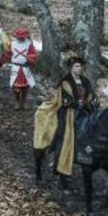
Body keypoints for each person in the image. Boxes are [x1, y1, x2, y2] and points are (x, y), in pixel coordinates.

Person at [34, 57, 98, 189]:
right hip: (67, 112)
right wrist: (77, 104)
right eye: (76, 66)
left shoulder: (85, 81)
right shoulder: (65, 82)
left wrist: (93, 102)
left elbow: (92, 95)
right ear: (71, 68)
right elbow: (64, 100)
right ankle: (57, 159)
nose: (79, 68)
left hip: (84, 111)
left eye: (80, 66)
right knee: (62, 135)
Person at [0, 28, 37, 110]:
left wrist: (29, 59)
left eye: (22, 37)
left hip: (25, 68)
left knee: (25, 87)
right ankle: (17, 102)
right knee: (15, 86)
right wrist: (1, 62)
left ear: (25, 37)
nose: (21, 38)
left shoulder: (29, 44)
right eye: (19, 37)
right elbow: (8, 54)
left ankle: (23, 102)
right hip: (15, 67)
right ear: (16, 36)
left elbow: (33, 55)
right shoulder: (12, 44)